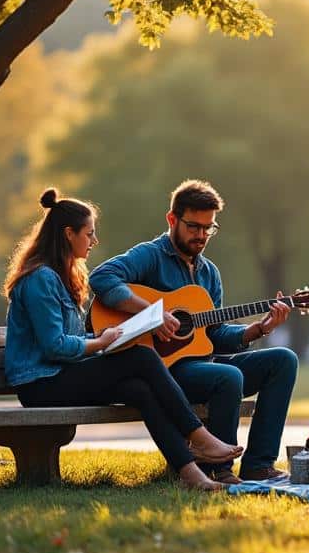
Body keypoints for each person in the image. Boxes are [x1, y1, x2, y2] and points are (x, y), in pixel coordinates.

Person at [4, 188, 243, 491]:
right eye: (89, 234)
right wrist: (101, 343)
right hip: (40, 384)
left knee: (139, 389)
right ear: (68, 234)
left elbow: (71, 338)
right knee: (141, 357)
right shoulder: (41, 278)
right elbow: (55, 346)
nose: (94, 241)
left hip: (61, 375)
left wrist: (100, 338)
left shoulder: (63, 276)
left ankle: (191, 475)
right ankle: (200, 437)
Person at [89, 180, 297, 483]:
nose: (201, 235)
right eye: (193, 226)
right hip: (161, 370)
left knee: (283, 360)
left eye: (208, 228)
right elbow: (102, 277)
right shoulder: (150, 255)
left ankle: (258, 464)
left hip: (200, 364)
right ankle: (219, 470)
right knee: (228, 376)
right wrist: (152, 314)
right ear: (172, 220)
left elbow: (213, 335)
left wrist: (258, 329)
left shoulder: (209, 273)